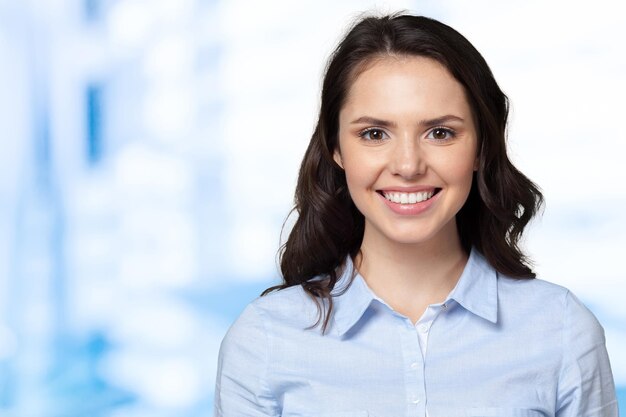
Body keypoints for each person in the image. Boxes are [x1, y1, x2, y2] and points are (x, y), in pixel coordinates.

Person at [213, 13, 618, 417]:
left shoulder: (560, 330)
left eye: (440, 132)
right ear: (335, 148)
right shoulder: (263, 340)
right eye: (374, 134)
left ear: (480, 148)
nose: (408, 165)